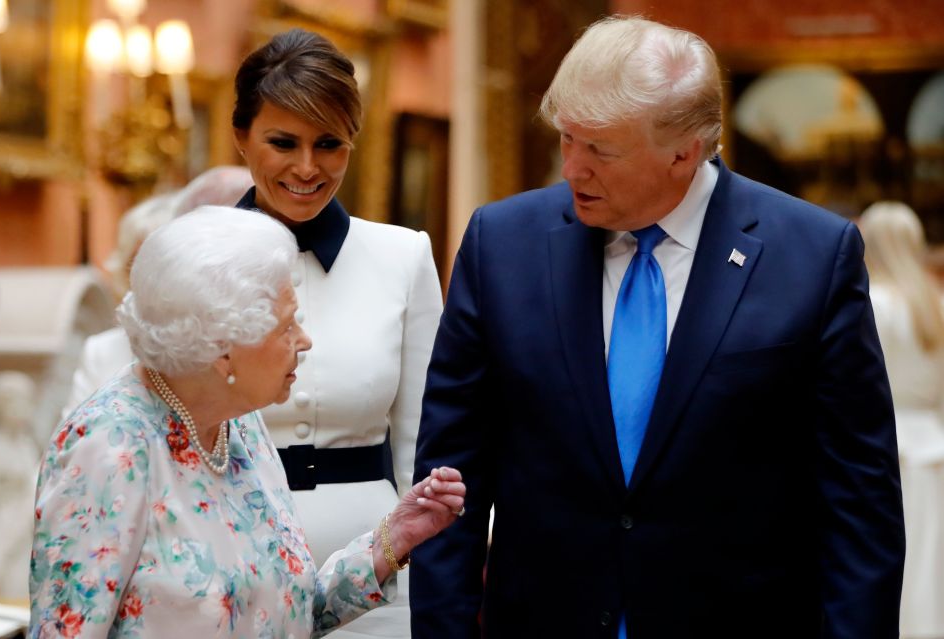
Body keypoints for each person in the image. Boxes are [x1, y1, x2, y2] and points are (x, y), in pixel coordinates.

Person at [411, 16, 904, 639]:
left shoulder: (812, 257)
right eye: (567, 138)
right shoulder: (500, 244)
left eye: (600, 150)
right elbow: (451, 475)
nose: (572, 169)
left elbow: (861, 502)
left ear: (685, 151)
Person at [29, 207, 465, 638]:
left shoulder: (239, 426)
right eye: (286, 325)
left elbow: (286, 613)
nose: (304, 340)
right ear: (223, 348)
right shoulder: (107, 446)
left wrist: (393, 538)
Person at [231, 28, 443, 638]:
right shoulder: (189, 257)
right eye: (283, 142)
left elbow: (420, 444)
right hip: (230, 564)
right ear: (241, 137)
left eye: (329, 144)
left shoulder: (403, 256)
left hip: (380, 576)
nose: (307, 167)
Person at [63, 166, 254, 414]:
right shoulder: (102, 351)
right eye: (140, 264)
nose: (153, 278)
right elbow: (74, 432)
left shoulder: (224, 350)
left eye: (164, 264)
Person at [859, 201, 944, 639]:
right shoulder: (935, 305)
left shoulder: (870, 304)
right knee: (930, 569)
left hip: (885, 452)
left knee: (895, 564)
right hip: (933, 451)